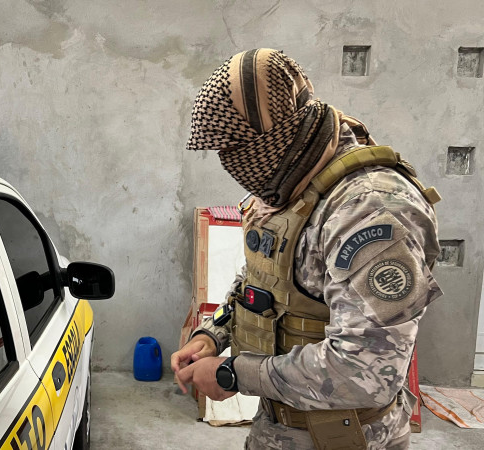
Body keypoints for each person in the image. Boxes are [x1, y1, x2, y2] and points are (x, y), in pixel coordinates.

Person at [172, 48, 443, 449]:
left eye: (237, 149)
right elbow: (262, 282)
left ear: (279, 135)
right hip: (282, 426)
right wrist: (214, 335)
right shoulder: (290, 182)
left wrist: (233, 374)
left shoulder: (370, 211)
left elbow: (363, 371)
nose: (229, 163)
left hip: (345, 437)